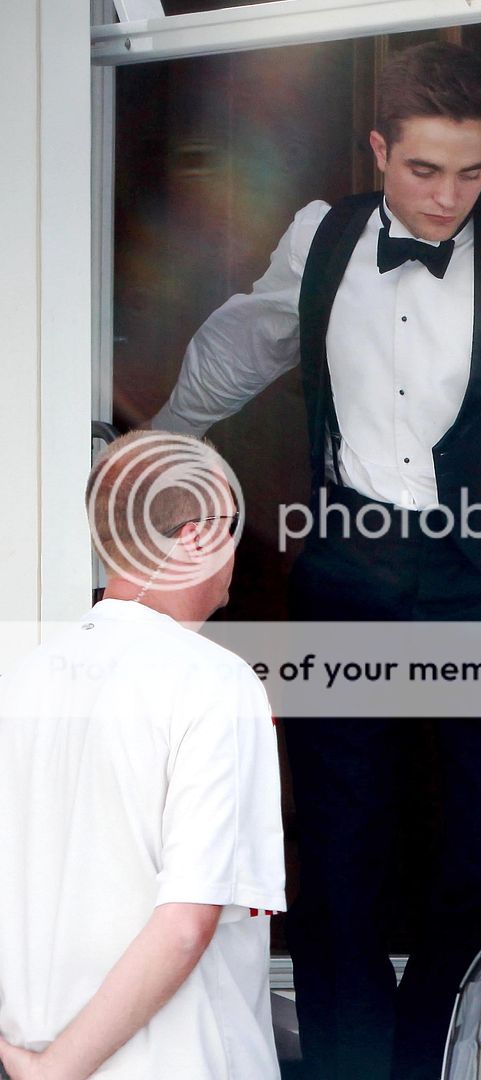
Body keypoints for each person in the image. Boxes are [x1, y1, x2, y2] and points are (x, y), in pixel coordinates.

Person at [151, 41, 481, 1080]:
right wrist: (161, 439)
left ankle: (430, 1056)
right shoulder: (320, 238)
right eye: (423, 169)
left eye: (472, 172)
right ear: (378, 149)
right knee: (336, 856)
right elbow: (246, 343)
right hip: (353, 576)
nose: (447, 197)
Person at [0, 430, 285, 1080]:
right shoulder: (215, 682)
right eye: (231, 527)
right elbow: (186, 924)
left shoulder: (21, 682)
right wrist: (56, 1071)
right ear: (195, 538)